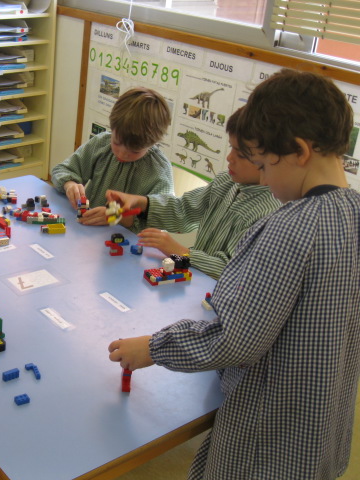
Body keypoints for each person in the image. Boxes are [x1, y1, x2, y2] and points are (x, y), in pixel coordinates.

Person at [108, 68, 360, 479]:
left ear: (299, 151)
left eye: (263, 163)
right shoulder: (354, 212)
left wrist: (153, 348)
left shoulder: (287, 228)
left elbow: (233, 339)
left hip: (267, 439)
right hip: (323, 429)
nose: (264, 177)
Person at [106, 107, 281, 279]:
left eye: (241, 155)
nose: (229, 158)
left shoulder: (268, 214)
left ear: (270, 161)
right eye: (231, 148)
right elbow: (183, 210)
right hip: (194, 281)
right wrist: (141, 202)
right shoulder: (226, 182)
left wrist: (182, 252)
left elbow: (235, 271)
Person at [51, 87, 174, 225]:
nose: (122, 154)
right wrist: (69, 184)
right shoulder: (101, 143)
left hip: (126, 236)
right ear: (112, 129)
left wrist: (115, 216)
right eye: (116, 143)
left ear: (152, 143)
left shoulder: (159, 172)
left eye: (134, 151)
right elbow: (61, 170)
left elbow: (162, 217)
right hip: (87, 228)